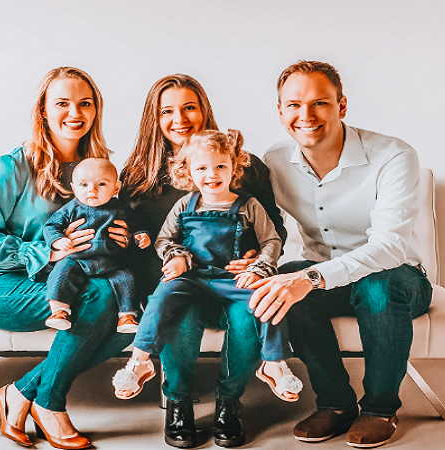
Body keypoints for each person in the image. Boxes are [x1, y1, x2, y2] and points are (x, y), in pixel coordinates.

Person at [248, 61, 433, 449]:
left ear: (341, 105)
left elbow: (390, 246)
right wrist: (254, 258)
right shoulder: (275, 159)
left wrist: (311, 278)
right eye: (294, 104)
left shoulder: (393, 155)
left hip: (398, 277)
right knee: (285, 284)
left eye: (319, 103)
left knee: (377, 288)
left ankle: (380, 410)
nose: (306, 115)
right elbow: (266, 224)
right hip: (324, 274)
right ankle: (335, 405)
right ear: (280, 111)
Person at [0, 67, 134, 449]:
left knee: (133, 311)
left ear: (96, 110)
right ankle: (50, 403)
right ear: (43, 109)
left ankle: (20, 393)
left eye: (85, 103)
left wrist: (122, 238)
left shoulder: (98, 168)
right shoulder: (12, 166)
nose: (75, 112)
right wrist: (50, 249)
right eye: (62, 103)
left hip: (63, 278)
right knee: (98, 297)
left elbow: (110, 228)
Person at [119, 75, 287, 448]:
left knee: (247, 321)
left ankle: (230, 401)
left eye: (189, 108)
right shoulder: (137, 174)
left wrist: (256, 259)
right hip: (178, 284)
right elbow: (136, 241)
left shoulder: (244, 165)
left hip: (235, 282)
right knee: (180, 320)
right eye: (167, 111)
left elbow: (273, 230)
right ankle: (178, 402)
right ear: (154, 118)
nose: (179, 119)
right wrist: (168, 258)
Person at [112, 129, 302, 406]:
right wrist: (176, 257)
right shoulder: (184, 205)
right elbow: (164, 239)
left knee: (267, 299)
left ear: (234, 167)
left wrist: (258, 268)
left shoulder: (249, 205)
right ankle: (140, 360)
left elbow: (271, 240)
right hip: (192, 276)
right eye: (201, 168)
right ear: (187, 171)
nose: (212, 174)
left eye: (220, 166)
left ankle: (274, 363)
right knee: (160, 295)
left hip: (233, 278)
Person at [42, 158, 150, 333]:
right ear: (74, 188)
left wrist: (141, 235)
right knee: (61, 272)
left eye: (101, 184)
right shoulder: (71, 209)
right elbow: (51, 226)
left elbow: (137, 225)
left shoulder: (121, 209)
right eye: (83, 185)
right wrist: (57, 240)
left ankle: (127, 315)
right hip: (78, 259)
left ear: (116, 188)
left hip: (113, 261)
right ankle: (59, 311)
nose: (92, 190)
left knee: (127, 279)